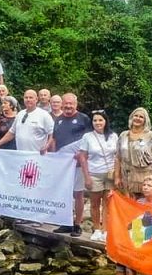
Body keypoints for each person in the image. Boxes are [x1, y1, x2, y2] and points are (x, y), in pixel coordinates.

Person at [50, 93, 92, 237]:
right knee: (65, 194)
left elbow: (89, 140)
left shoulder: (83, 119)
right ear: (62, 104)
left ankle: (77, 224)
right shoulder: (58, 120)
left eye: (71, 104)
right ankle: (66, 222)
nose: (68, 106)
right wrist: (52, 154)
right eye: (66, 103)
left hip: (78, 164)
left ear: (76, 104)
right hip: (63, 165)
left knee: (78, 194)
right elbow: (54, 139)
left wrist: (81, 154)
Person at [78, 109, 118, 242]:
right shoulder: (87, 137)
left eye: (100, 120)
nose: (98, 122)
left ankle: (105, 230)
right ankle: (96, 229)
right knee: (95, 203)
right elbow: (82, 157)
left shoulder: (113, 136)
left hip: (110, 174)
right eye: (95, 120)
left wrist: (118, 175)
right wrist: (87, 176)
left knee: (108, 203)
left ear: (105, 121)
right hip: (94, 173)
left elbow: (118, 156)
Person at [114, 107, 152, 197]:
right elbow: (118, 157)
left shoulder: (150, 135)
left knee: (146, 200)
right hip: (128, 175)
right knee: (131, 201)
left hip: (146, 174)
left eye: (141, 117)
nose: (137, 118)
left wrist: (149, 165)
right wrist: (117, 177)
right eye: (135, 116)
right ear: (131, 117)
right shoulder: (123, 135)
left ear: (145, 120)